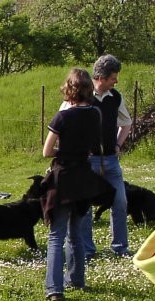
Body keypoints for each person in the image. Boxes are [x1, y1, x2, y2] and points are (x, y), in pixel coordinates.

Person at [41, 68, 114, 301]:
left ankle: (54, 288)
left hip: (63, 178)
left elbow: (46, 151)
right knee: (76, 235)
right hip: (84, 176)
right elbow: (94, 146)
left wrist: (63, 150)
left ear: (69, 90)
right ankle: (77, 279)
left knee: (56, 235)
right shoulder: (95, 114)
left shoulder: (62, 117)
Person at [61, 54, 132, 258]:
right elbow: (63, 121)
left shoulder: (115, 97)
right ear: (101, 77)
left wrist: (118, 144)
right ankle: (87, 249)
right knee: (86, 206)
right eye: (113, 77)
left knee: (120, 201)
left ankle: (120, 248)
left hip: (110, 159)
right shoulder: (82, 95)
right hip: (87, 161)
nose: (116, 81)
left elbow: (126, 122)